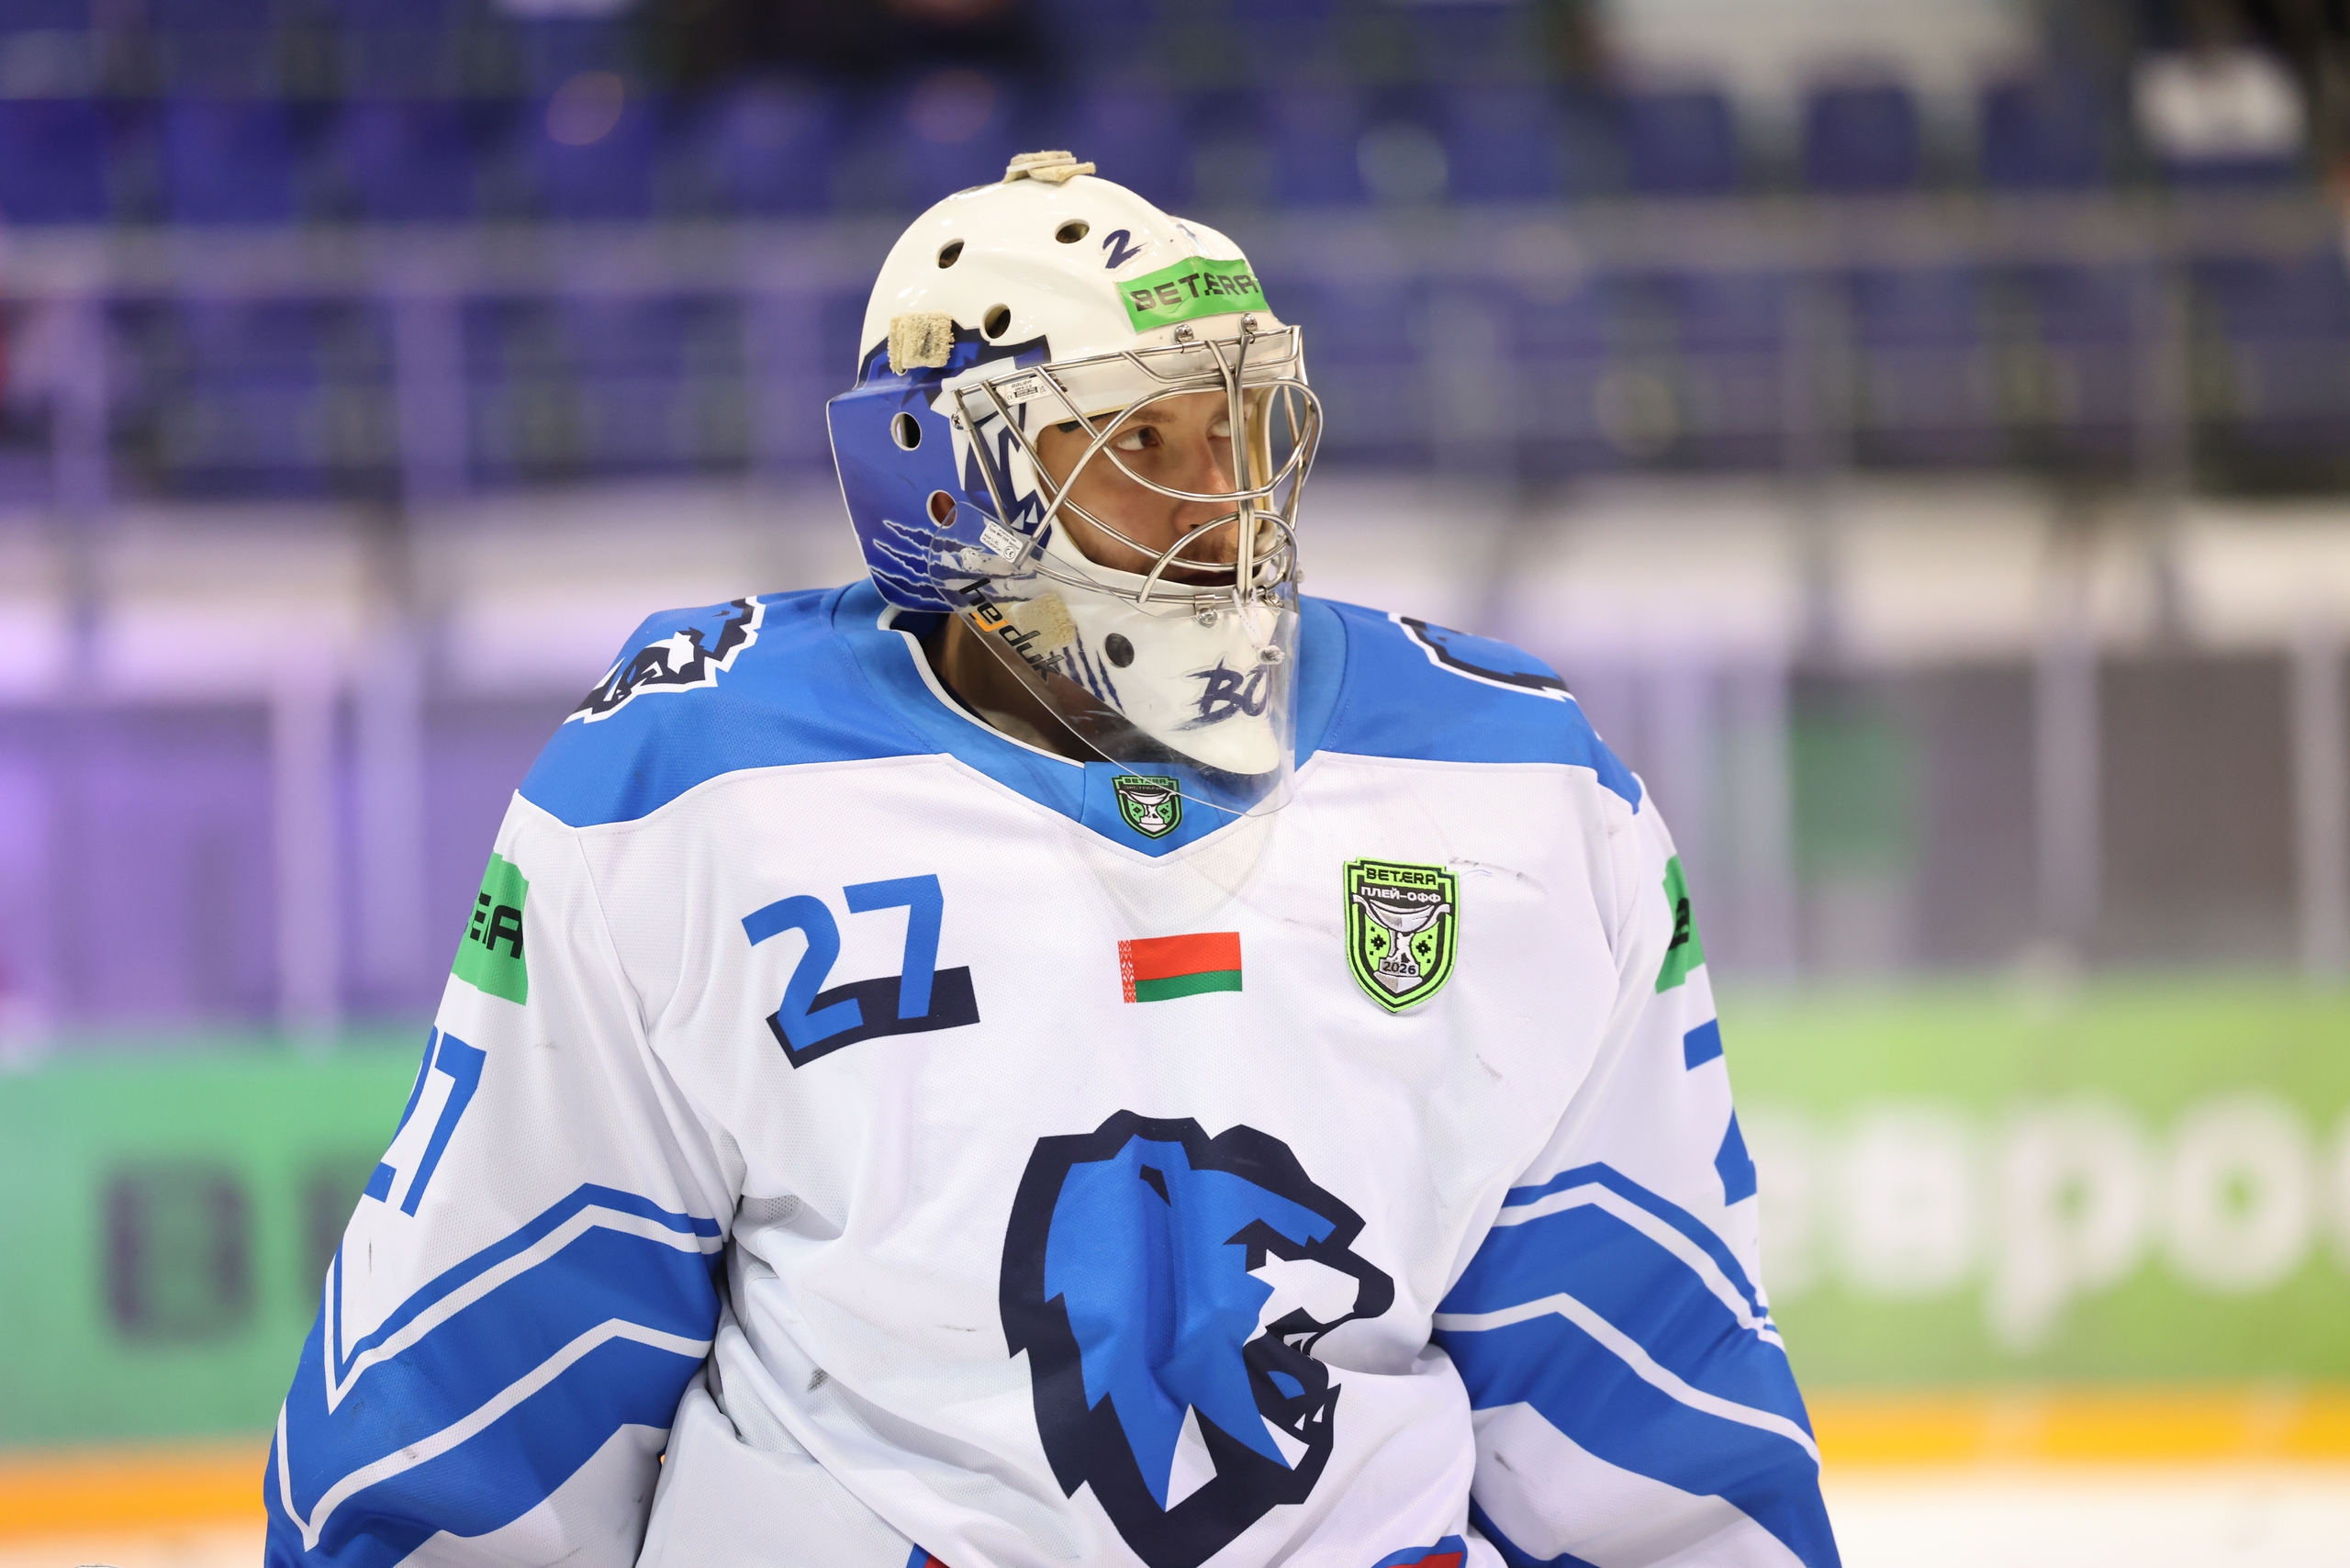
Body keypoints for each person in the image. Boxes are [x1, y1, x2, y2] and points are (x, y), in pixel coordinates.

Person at [263, 152, 1837, 1568]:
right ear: (938, 472)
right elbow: (481, 1376)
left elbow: (1646, 1396)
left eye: (1237, 428)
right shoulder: (689, 796)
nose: (1224, 506)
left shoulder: (1516, 788)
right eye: (1140, 440)